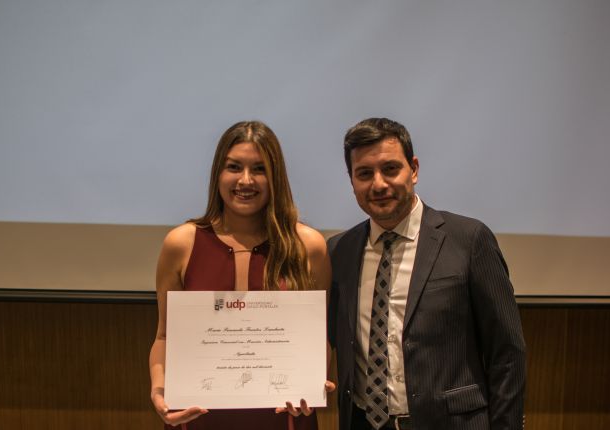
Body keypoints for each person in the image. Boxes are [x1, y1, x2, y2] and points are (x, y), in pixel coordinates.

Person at [327, 117, 526, 430]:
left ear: (414, 169)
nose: (378, 184)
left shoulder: (469, 240)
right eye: (364, 173)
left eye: (390, 169)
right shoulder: (338, 251)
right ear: (351, 180)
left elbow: (507, 353)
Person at [149, 121, 334, 430]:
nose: (245, 180)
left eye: (259, 169)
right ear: (218, 174)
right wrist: (159, 390)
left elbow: (319, 340)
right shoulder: (181, 243)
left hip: (285, 419)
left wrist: (312, 384)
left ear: (275, 177)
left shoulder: (308, 246)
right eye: (234, 167)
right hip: (196, 420)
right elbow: (164, 336)